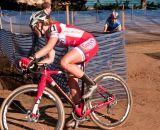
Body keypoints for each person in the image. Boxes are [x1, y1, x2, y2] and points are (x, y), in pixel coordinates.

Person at [19, 13, 99, 127]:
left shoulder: (53, 28)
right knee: (71, 81)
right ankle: (80, 115)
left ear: (39, 24)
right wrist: (34, 65)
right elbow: (50, 59)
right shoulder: (48, 36)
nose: (33, 30)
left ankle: (91, 84)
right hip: (81, 47)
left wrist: (31, 58)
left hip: (89, 42)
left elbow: (48, 48)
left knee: (64, 62)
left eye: (33, 27)